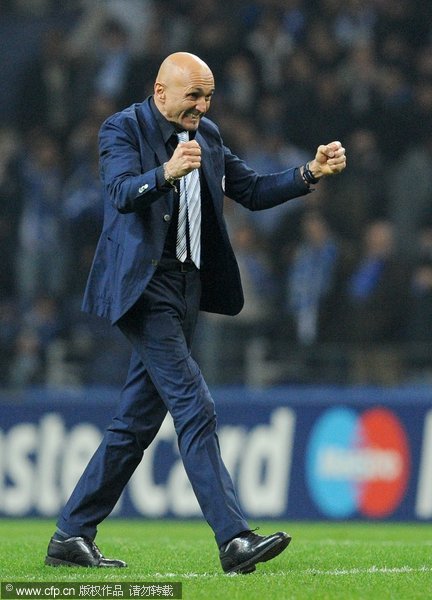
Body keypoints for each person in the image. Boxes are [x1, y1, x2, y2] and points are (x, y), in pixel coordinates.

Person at [45, 52, 346, 574]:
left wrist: (307, 173)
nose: (203, 106)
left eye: (208, 96)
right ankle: (233, 539)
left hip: (187, 287)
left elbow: (249, 189)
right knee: (194, 404)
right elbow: (118, 194)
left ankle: (71, 533)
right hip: (143, 287)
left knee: (135, 425)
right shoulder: (121, 129)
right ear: (161, 91)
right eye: (194, 96)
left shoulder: (206, 134)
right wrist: (163, 173)